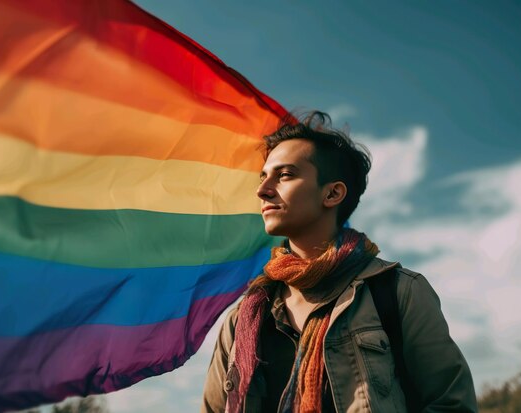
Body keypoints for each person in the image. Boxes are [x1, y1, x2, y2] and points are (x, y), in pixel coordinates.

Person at [202, 111, 477, 413]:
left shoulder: (398, 292)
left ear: (332, 193)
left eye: (285, 175)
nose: (263, 190)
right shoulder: (245, 316)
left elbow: (453, 405)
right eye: (264, 176)